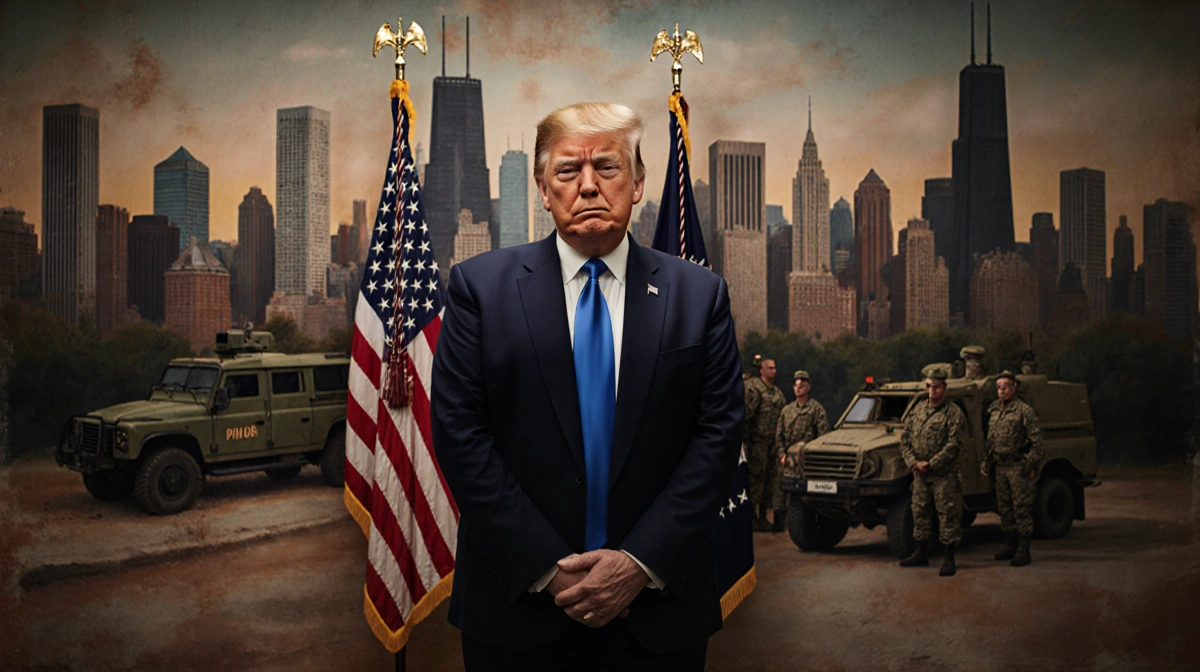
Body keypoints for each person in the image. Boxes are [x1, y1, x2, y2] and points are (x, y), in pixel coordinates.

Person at [430, 101, 744, 670]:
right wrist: (548, 570)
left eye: (608, 166)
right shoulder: (479, 289)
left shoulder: (700, 297)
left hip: (658, 614)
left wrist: (637, 564)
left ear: (640, 182)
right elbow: (460, 437)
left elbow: (717, 441)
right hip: (515, 615)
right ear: (543, 190)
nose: (589, 186)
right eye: (568, 171)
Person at [898, 366, 966, 577]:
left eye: (936, 387)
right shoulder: (918, 409)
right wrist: (912, 462)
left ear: (944, 387)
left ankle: (949, 557)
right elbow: (905, 438)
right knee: (920, 512)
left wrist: (931, 463)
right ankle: (921, 552)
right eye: (929, 386)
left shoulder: (953, 413)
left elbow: (953, 445)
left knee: (947, 514)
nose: (932, 391)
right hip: (920, 473)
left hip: (943, 475)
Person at [982, 371, 1044, 566]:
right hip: (1000, 467)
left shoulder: (1024, 412)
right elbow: (989, 440)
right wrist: (986, 461)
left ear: (1014, 387)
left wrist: (1027, 464)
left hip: (1017, 467)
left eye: (1006, 386)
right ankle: (1010, 543)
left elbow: (1038, 445)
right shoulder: (993, 411)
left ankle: (1024, 549)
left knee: (1021, 508)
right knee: (1005, 508)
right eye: (999, 387)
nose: (1002, 390)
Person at [773, 370, 830, 532]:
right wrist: (781, 454)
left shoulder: (816, 410)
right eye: (797, 385)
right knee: (781, 490)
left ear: (808, 387)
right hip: (787, 458)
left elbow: (822, 435)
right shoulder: (787, 411)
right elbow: (779, 435)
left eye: (803, 385)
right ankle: (778, 523)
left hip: (807, 459)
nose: (799, 389)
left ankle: (803, 524)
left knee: (802, 492)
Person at [744, 356, 786, 531]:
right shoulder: (754, 389)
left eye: (774, 368)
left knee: (770, 481)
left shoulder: (777, 393)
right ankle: (750, 516)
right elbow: (746, 414)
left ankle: (763, 516)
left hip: (773, 444)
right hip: (757, 442)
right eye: (769, 368)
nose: (773, 371)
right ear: (761, 370)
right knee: (755, 480)